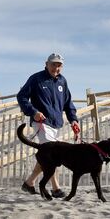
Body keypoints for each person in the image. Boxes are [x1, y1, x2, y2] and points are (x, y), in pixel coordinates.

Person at [17, 52, 80, 198]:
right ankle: (56, 188)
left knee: (47, 156)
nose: (56, 68)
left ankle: (29, 183)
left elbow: (67, 103)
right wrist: (33, 112)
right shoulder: (36, 79)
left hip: (56, 123)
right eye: (53, 64)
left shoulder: (62, 81)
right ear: (46, 64)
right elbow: (22, 96)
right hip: (41, 122)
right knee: (52, 155)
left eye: (59, 65)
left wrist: (73, 120)